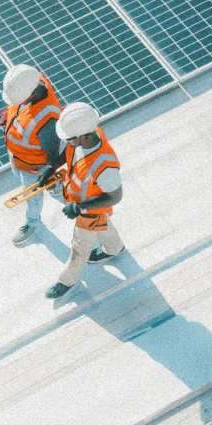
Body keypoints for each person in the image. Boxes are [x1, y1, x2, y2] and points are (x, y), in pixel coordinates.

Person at [42, 102, 126, 299]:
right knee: (103, 225)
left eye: (70, 139)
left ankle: (67, 280)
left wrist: (80, 207)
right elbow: (69, 152)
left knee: (79, 249)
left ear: (84, 137)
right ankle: (115, 248)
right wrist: (51, 167)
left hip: (89, 210)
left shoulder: (105, 166)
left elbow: (115, 196)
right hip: (83, 203)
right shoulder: (87, 133)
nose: (67, 142)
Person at [0, 64, 62, 245]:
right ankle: (56, 186)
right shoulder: (28, 81)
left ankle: (32, 222)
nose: (17, 103)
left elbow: (53, 154)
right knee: (19, 176)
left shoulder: (48, 120)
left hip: (33, 167)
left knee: (33, 197)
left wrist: (47, 172)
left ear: (31, 93)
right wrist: (6, 115)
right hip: (17, 156)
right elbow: (19, 109)